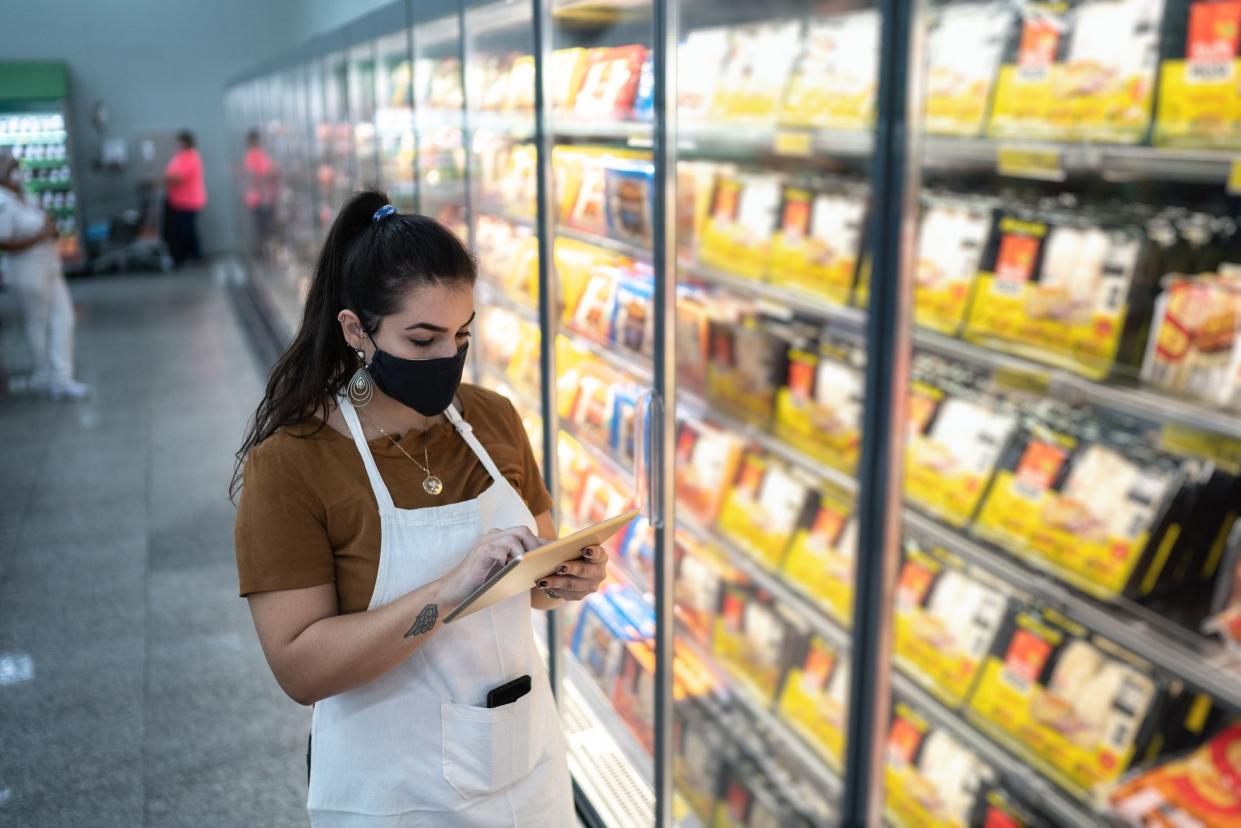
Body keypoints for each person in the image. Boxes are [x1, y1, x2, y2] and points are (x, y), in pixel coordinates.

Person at [232, 190, 600, 826]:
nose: (446, 360)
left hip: (526, 768)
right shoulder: (293, 462)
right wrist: (448, 591)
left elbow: (531, 586)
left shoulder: (493, 419)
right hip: (396, 791)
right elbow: (299, 667)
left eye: (461, 336)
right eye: (422, 338)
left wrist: (565, 578)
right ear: (356, 330)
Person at [0, 150, 89, 399]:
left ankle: (61, 375)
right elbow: (5, 242)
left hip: (50, 265)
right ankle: (45, 374)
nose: (16, 173)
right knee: (38, 322)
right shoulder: (2, 202)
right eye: (10, 168)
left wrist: (49, 230)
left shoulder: (24, 195)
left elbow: (46, 222)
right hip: (26, 270)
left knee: (63, 318)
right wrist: (40, 235)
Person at [163, 129, 206, 266]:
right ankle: (184, 256)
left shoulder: (191, 157)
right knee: (181, 230)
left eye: (180, 141)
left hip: (189, 201)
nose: (177, 144)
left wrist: (161, 179)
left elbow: (177, 178)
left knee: (188, 230)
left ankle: (194, 256)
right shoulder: (179, 157)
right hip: (178, 200)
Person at [242, 129, 275, 258]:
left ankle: (262, 250)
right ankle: (264, 251)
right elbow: (262, 176)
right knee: (264, 227)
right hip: (261, 198)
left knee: (260, 226)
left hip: (256, 198)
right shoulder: (256, 155)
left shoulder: (250, 155)